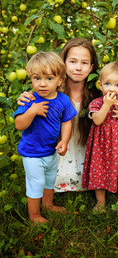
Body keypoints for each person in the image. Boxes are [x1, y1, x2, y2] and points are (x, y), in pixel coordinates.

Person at [17, 38, 118, 194]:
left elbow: (116, 92)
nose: (78, 68)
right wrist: (25, 97)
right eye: (72, 62)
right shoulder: (51, 92)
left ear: (92, 67)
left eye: (85, 63)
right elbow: (35, 96)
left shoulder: (97, 95)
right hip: (59, 149)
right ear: (63, 63)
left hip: (89, 151)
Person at [14, 52, 77, 224]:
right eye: (37, 78)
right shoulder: (29, 99)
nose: (42, 84)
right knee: (36, 182)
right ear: (31, 79)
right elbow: (19, 125)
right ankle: (34, 216)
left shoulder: (63, 100)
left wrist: (64, 141)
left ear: (60, 80)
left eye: (49, 78)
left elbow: (66, 122)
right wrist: (32, 111)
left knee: (50, 180)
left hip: (51, 151)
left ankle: (48, 205)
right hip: (32, 152)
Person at [82, 62, 118, 212]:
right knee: (100, 171)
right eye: (107, 84)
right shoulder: (96, 103)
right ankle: (101, 202)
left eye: (117, 85)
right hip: (101, 146)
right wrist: (106, 105)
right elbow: (97, 120)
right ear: (100, 85)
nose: (112, 89)